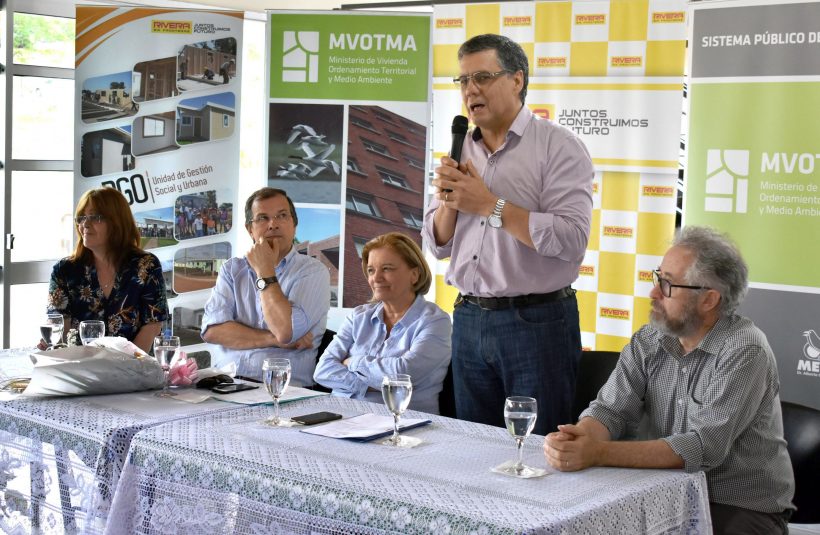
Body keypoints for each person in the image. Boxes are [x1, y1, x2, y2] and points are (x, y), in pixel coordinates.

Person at [544, 226, 795, 535]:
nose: (653, 293)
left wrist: (597, 452)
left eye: (667, 284)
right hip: (660, 491)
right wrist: (579, 439)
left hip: (735, 504)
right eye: (657, 278)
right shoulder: (649, 339)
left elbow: (702, 448)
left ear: (709, 299)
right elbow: (610, 411)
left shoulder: (745, 350)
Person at [421, 33, 594, 435]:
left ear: (517, 80)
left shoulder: (558, 147)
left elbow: (571, 239)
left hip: (536, 322)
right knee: (474, 446)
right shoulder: (460, 148)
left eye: (482, 77)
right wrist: (450, 200)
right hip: (468, 317)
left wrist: (489, 205)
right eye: (463, 80)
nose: (470, 90)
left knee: (536, 449)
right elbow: (437, 244)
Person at [201, 187, 330, 386]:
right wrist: (272, 339)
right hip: (225, 384)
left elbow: (285, 331)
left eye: (282, 216)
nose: (273, 224)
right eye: (262, 218)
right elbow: (212, 331)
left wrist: (264, 270)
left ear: (294, 225)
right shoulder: (232, 269)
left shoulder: (313, 271)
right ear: (250, 229)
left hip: (283, 391)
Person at [314, 232, 451, 414]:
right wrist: (370, 384)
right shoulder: (358, 316)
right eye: (371, 270)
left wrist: (354, 362)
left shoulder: (435, 321)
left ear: (414, 275)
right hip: (341, 415)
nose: (376, 278)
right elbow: (323, 371)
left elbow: (404, 374)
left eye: (387, 269)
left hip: (402, 421)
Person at [47, 188, 169, 353]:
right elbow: (59, 326)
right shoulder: (64, 271)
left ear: (117, 222)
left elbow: (153, 325)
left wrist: (126, 365)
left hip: (134, 365)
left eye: (95, 217)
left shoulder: (146, 265)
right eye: (81, 217)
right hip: (80, 364)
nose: (85, 224)